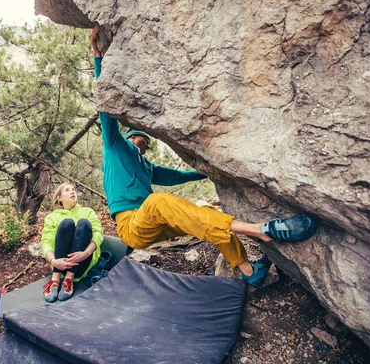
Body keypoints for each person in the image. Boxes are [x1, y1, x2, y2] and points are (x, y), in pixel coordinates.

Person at [89, 26, 318, 287]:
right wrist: (98, 59)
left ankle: (248, 271)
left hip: (157, 223)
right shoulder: (114, 146)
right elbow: (104, 109)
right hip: (131, 226)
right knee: (157, 202)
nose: (148, 144)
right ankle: (261, 230)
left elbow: (180, 176)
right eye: (145, 138)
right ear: (132, 133)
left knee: (204, 213)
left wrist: (213, 168)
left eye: (150, 142)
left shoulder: (146, 166)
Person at [41, 182, 104, 302]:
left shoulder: (87, 211)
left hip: (83, 262)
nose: (72, 191)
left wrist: (85, 253)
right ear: (59, 197)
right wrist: (54, 262)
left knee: (84, 223)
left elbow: (98, 233)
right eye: (67, 190)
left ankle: (69, 279)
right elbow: (46, 241)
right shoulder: (51, 217)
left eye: (73, 189)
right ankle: (55, 280)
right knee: (67, 223)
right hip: (60, 264)